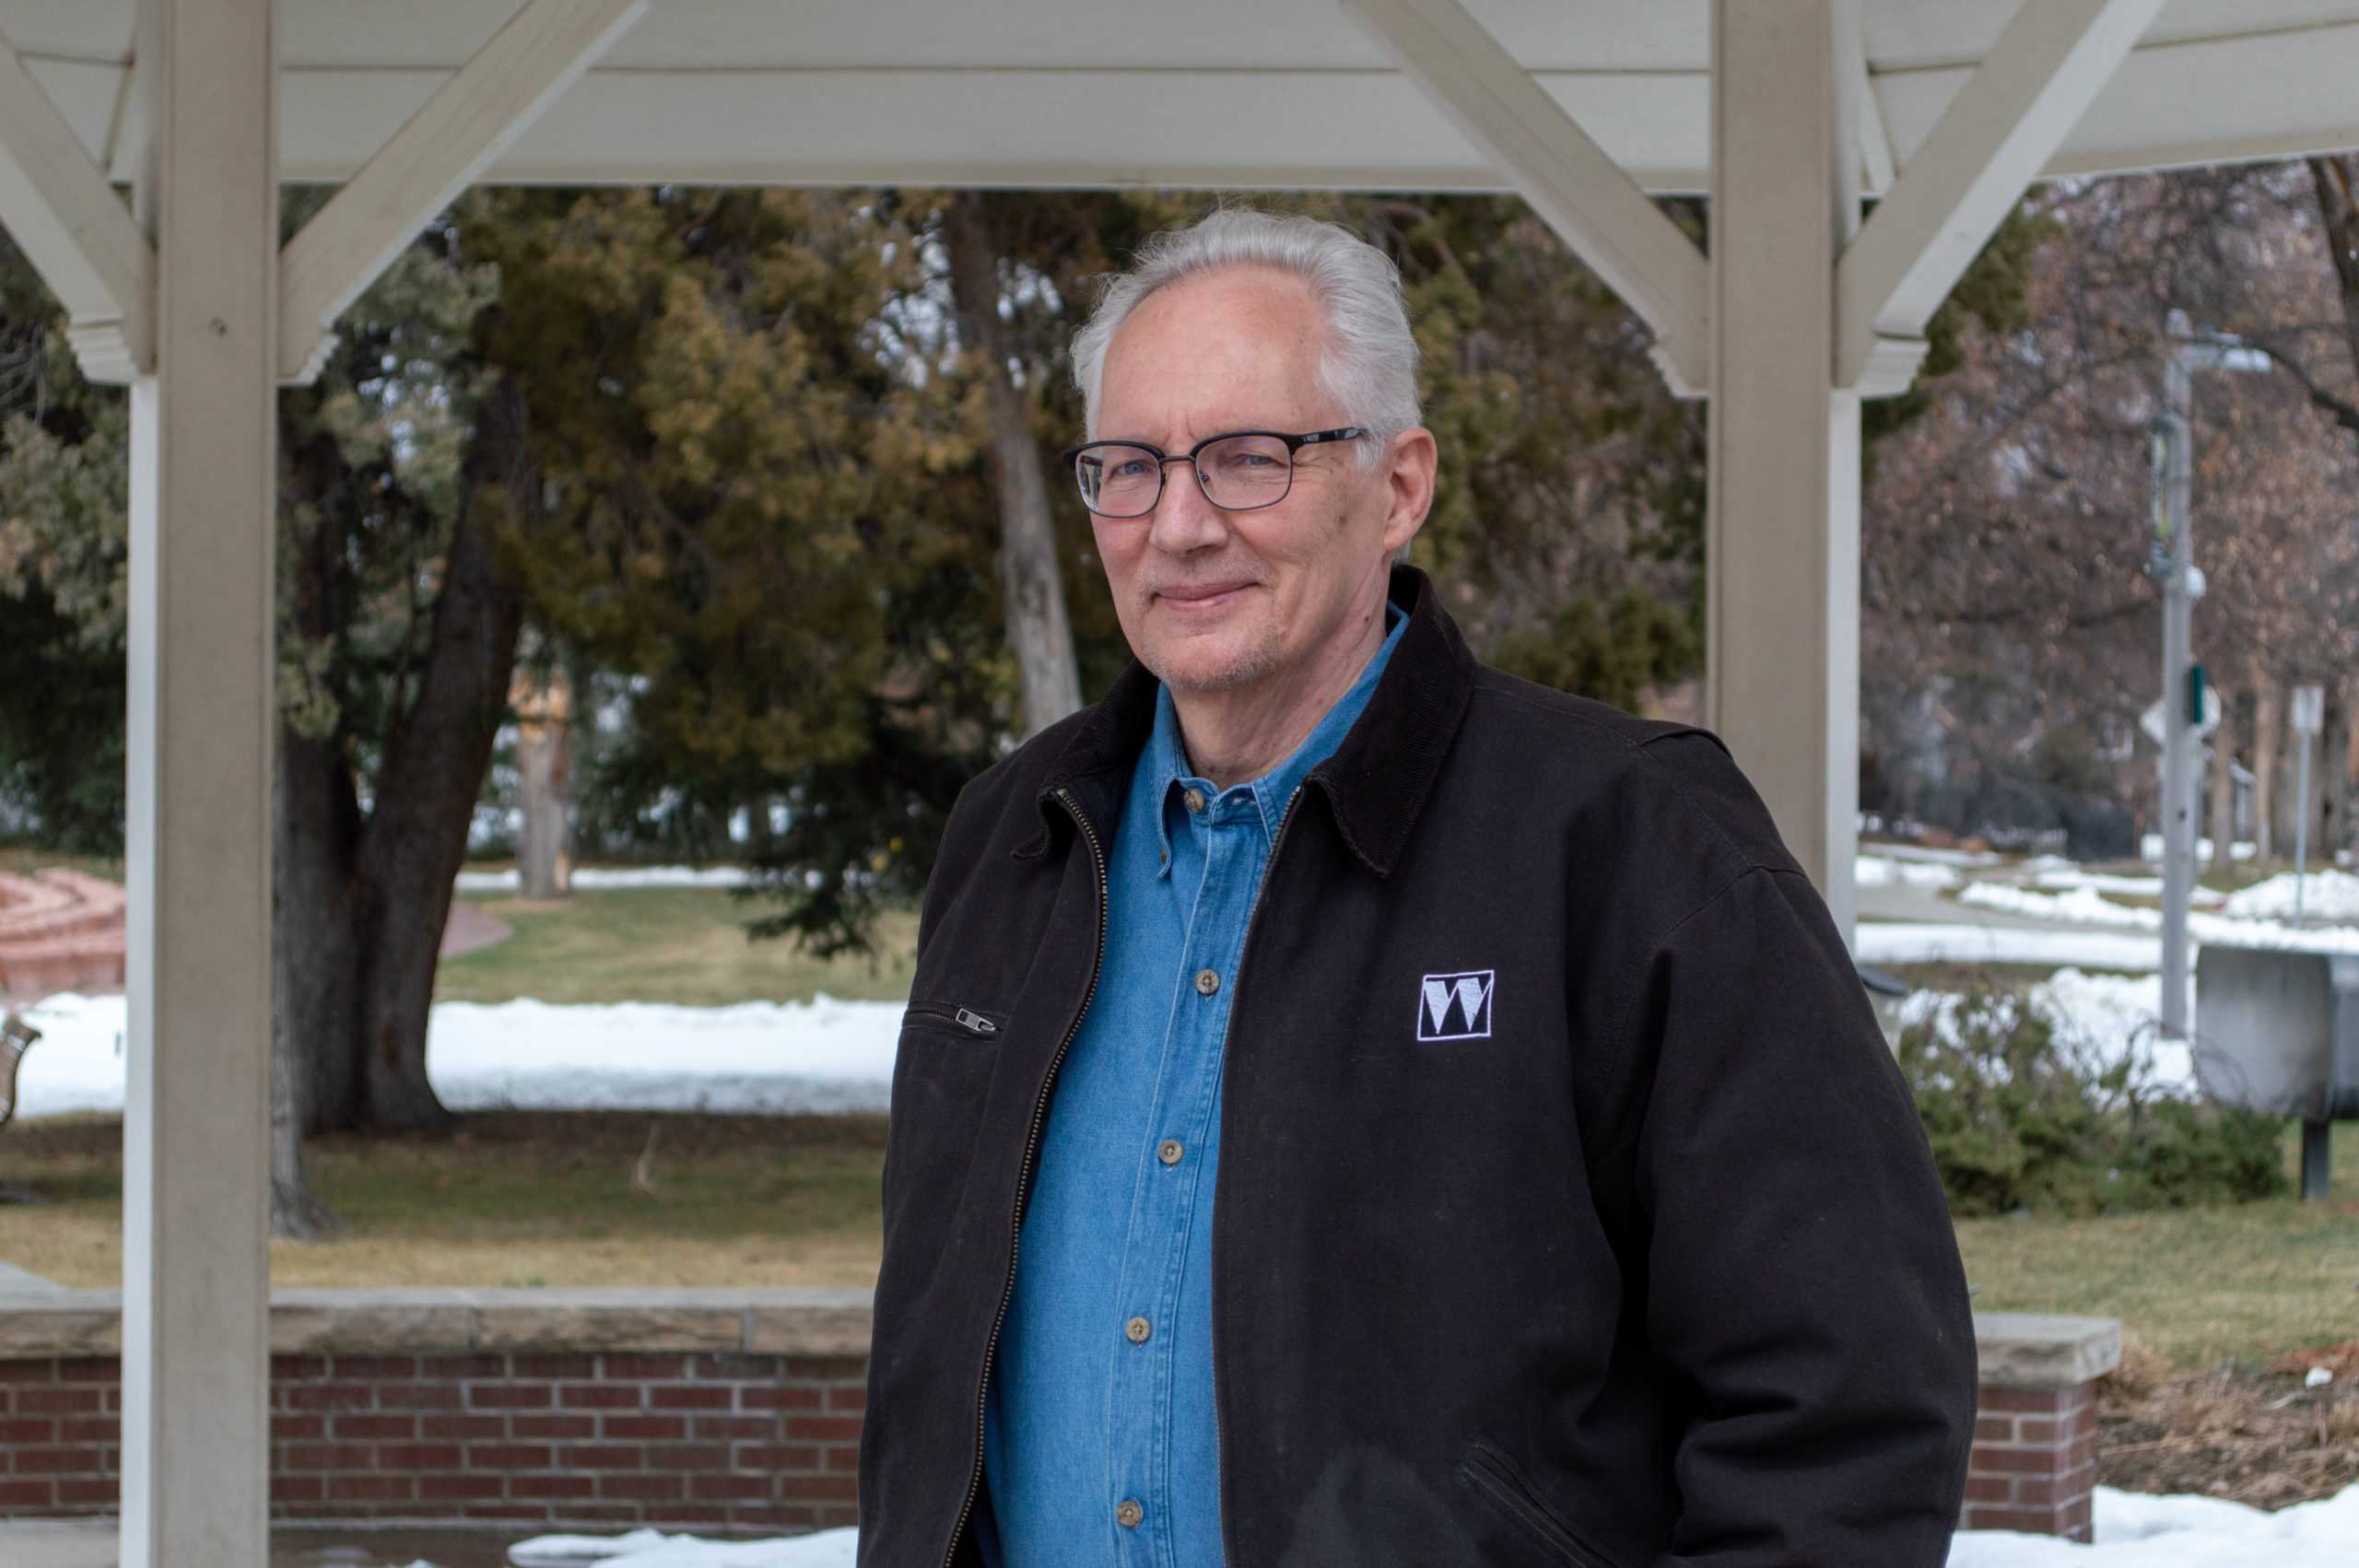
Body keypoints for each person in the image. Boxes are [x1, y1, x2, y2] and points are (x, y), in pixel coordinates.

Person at [856, 206, 1976, 1568]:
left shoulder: (1626, 840)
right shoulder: (1015, 841)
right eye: (1130, 467)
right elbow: (929, 1373)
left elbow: (1849, 1408)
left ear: (1399, 484)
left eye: (1247, 459)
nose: (1181, 525)